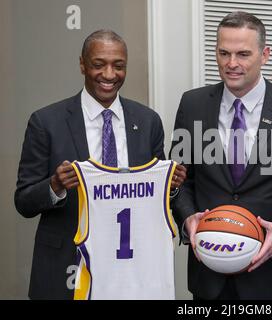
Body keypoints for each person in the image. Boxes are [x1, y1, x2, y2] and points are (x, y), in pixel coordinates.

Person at [14, 29, 186, 299]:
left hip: (131, 268)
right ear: (82, 64)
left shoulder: (148, 121)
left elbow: (156, 198)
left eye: (118, 66)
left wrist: (171, 187)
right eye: (98, 64)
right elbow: (23, 202)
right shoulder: (46, 122)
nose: (109, 75)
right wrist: (55, 185)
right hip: (66, 266)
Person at [170, 11, 272, 299]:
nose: (231, 64)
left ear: (264, 55)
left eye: (243, 54)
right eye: (223, 53)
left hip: (271, 278)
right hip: (208, 279)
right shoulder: (192, 105)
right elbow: (178, 182)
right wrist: (188, 218)